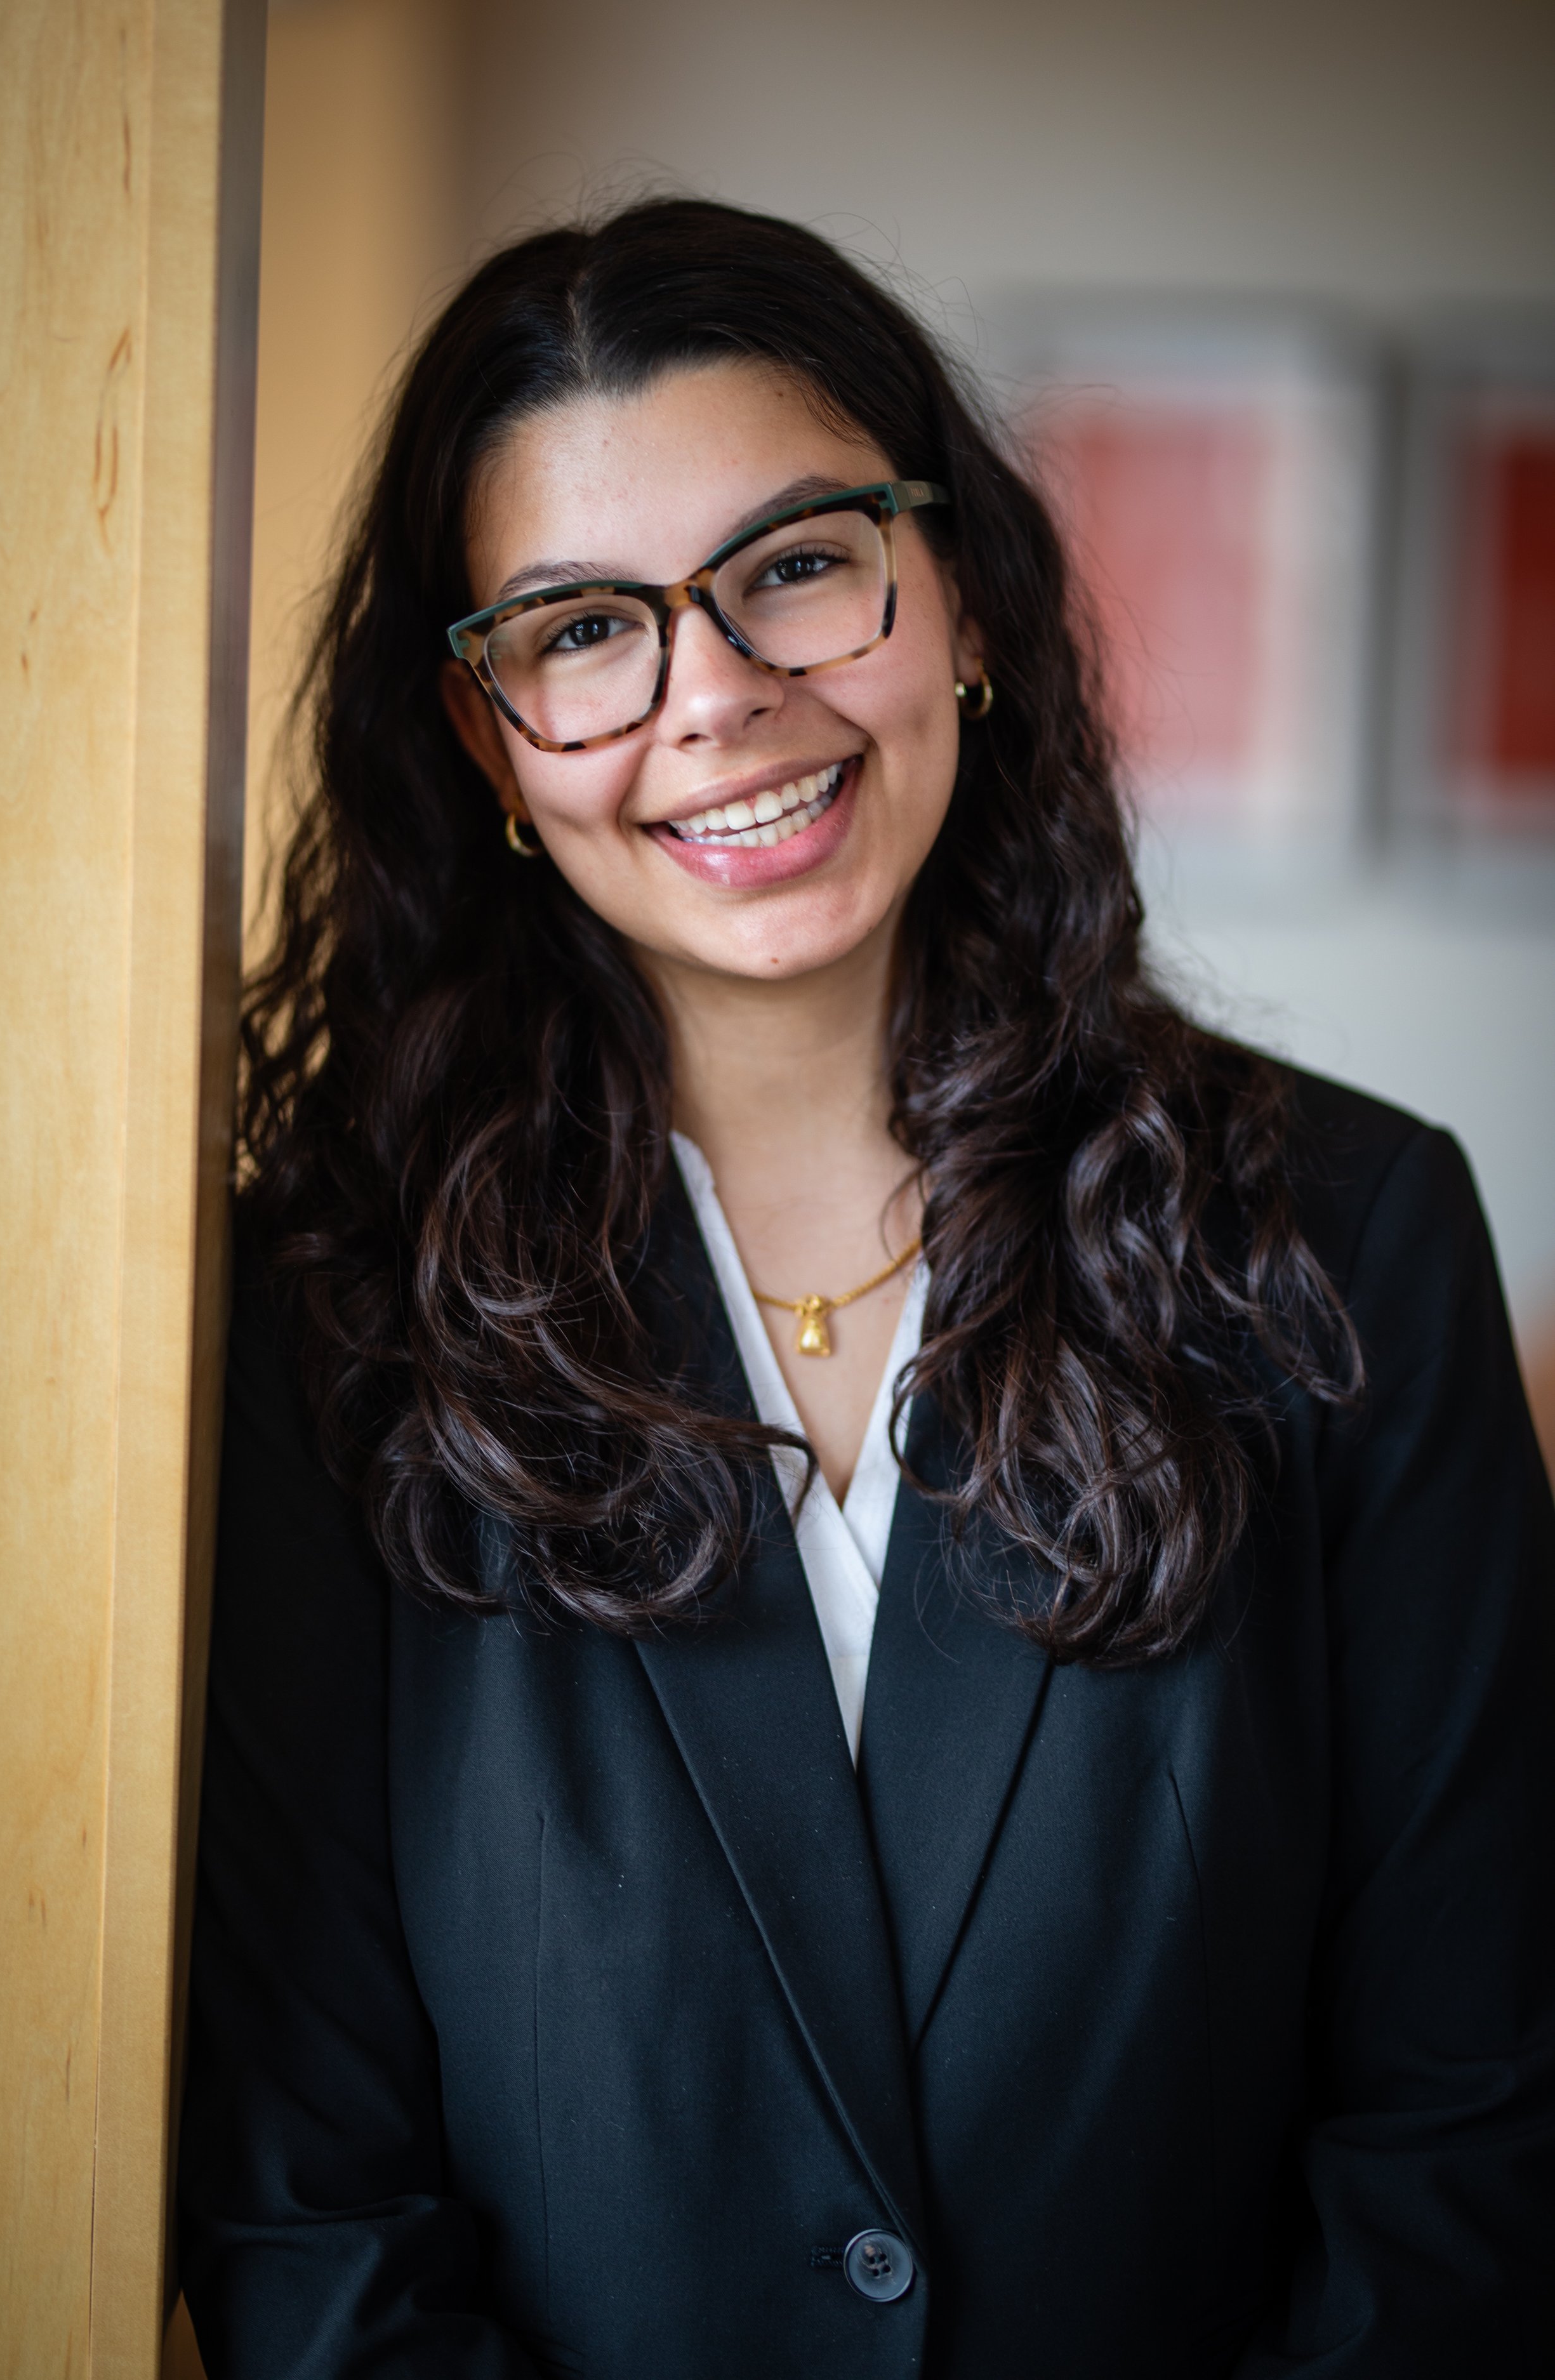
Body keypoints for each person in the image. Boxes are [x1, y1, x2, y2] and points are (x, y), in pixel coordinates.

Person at [177, 199, 1555, 2379]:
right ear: (485, 744)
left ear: (966, 599)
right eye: (577, 631)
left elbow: (1472, 2127)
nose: (715, 694)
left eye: (800, 563)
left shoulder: (1345, 1239)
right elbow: (307, 2214)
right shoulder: (325, 1322)